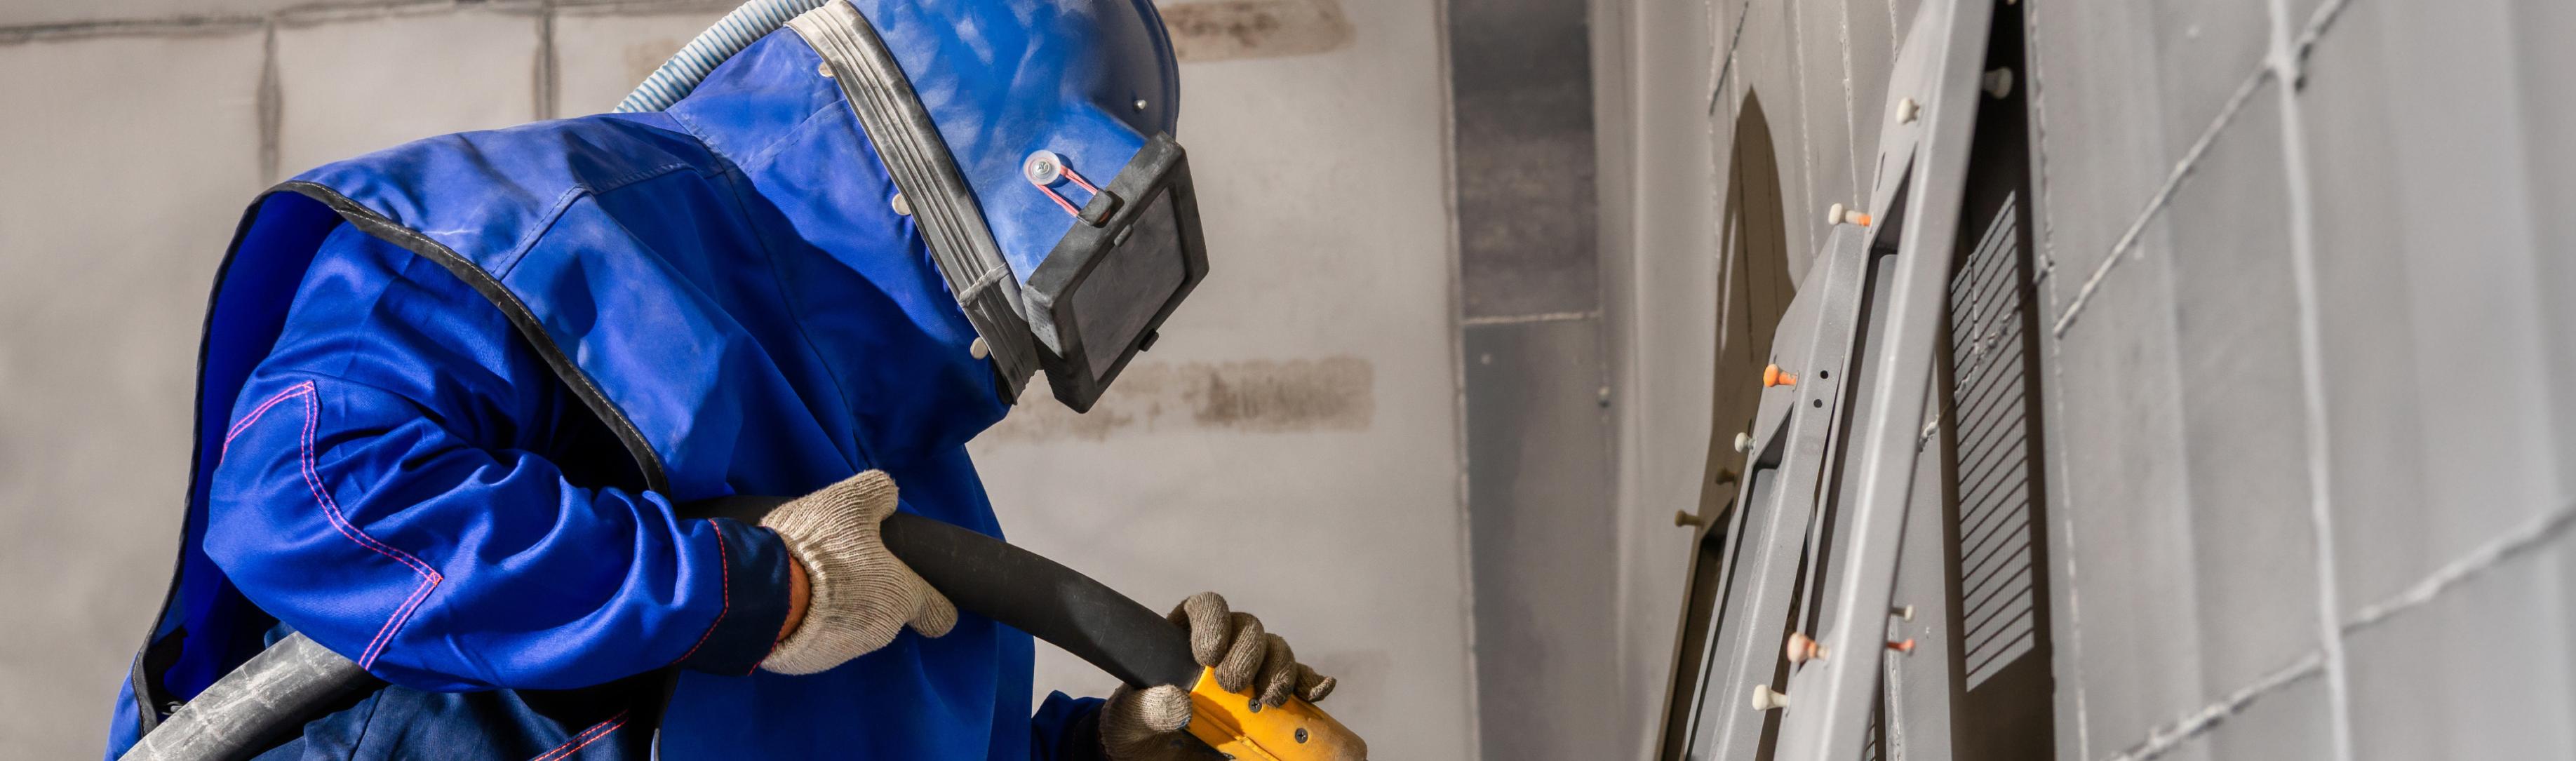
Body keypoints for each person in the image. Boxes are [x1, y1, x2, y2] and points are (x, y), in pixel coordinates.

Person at [100, 1, 1334, 758]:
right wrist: (753, 591)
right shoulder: (555, 226)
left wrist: (1109, 757)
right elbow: (313, 495)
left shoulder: (923, 510)